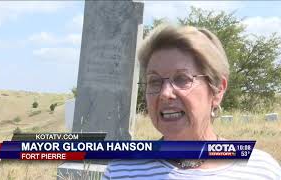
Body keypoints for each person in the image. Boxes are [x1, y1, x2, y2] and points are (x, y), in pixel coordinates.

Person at [102, 24, 281, 179]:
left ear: (218, 90)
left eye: (181, 79)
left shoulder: (260, 171)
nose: (165, 93)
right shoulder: (122, 171)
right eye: (154, 81)